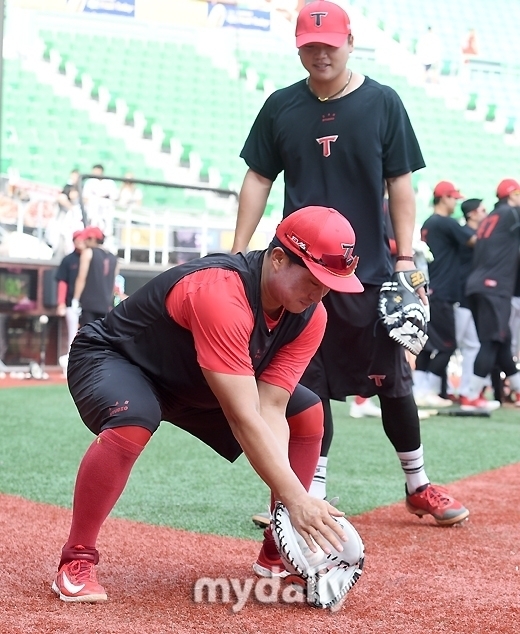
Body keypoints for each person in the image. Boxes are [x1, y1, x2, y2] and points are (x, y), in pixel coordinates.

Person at [232, 0, 469, 527]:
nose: (320, 54)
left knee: (392, 384)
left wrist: (405, 256)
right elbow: (258, 178)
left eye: (329, 45)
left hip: (368, 273)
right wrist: (237, 246)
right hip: (298, 275)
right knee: (305, 387)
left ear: (350, 42)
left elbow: (401, 184)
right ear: (298, 48)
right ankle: (305, 496)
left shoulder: (383, 102)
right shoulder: (280, 106)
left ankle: (418, 485)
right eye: (309, 46)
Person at [51, 206, 363, 603]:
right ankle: (76, 559)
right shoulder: (220, 293)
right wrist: (298, 499)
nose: (321, 293)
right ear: (280, 258)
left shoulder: (310, 316)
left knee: (305, 410)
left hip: (197, 379)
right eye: (315, 279)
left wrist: (290, 504)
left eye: (330, 283)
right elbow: (244, 416)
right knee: (135, 419)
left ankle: (279, 551)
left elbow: (271, 407)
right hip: (119, 359)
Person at [413, 181, 486, 408]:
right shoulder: (446, 223)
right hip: (443, 291)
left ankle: (419, 389)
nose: (456, 202)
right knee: (447, 344)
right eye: (453, 198)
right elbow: (475, 241)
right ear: (444, 198)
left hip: (432, 287)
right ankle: (428, 390)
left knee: (428, 345)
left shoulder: (429, 223)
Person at [462, 179, 520, 410]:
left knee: (501, 343)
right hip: (495, 287)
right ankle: (471, 395)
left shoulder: (491, 217)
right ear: (513, 194)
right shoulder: (512, 213)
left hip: (479, 284)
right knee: (490, 342)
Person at [451, 198, 488, 401]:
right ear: (472, 213)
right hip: (459, 293)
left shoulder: (473, 233)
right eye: (482, 210)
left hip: (469, 295)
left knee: (472, 344)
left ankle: (465, 390)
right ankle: (431, 387)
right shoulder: (465, 232)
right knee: (451, 343)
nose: (485, 213)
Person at [71, 226, 119, 328]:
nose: (84, 242)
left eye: (86, 239)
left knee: (87, 336)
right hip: (106, 304)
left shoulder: (88, 252)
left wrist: (75, 299)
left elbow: (81, 278)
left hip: (89, 304)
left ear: (92, 239)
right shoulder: (114, 258)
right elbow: (113, 282)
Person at [55, 230, 87, 372]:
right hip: (71, 303)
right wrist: (61, 302)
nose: (79, 242)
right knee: (72, 336)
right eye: (77, 239)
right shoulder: (68, 259)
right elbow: (63, 282)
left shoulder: (91, 258)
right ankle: (70, 369)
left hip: (88, 304)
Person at [81, 164, 119, 237]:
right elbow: (85, 198)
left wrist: (103, 199)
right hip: (93, 211)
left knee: (107, 232)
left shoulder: (109, 183)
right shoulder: (89, 182)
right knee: (93, 231)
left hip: (107, 211)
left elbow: (114, 198)